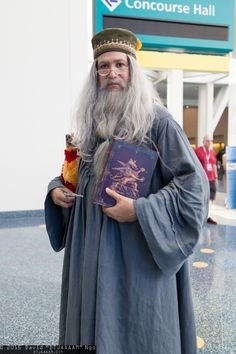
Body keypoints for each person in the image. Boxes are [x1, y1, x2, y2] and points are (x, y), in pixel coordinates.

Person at [44, 28, 209, 354]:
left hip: (137, 259)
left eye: (120, 64)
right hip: (89, 254)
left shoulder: (158, 122)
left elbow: (194, 187)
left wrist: (140, 210)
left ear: (133, 70)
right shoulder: (92, 124)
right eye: (103, 67)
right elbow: (78, 177)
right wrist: (57, 191)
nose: (112, 73)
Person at [195, 134, 218, 224]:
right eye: (208, 141)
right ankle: (200, 215)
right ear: (203, 141)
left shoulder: (212, 152)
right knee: (202, 197)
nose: (210, 143)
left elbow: (213, 165)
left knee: (211, 198)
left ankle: (208, 216)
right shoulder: (198, 151)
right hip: (202, 179)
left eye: (211, 141)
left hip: (211, 178)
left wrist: (216, 178)